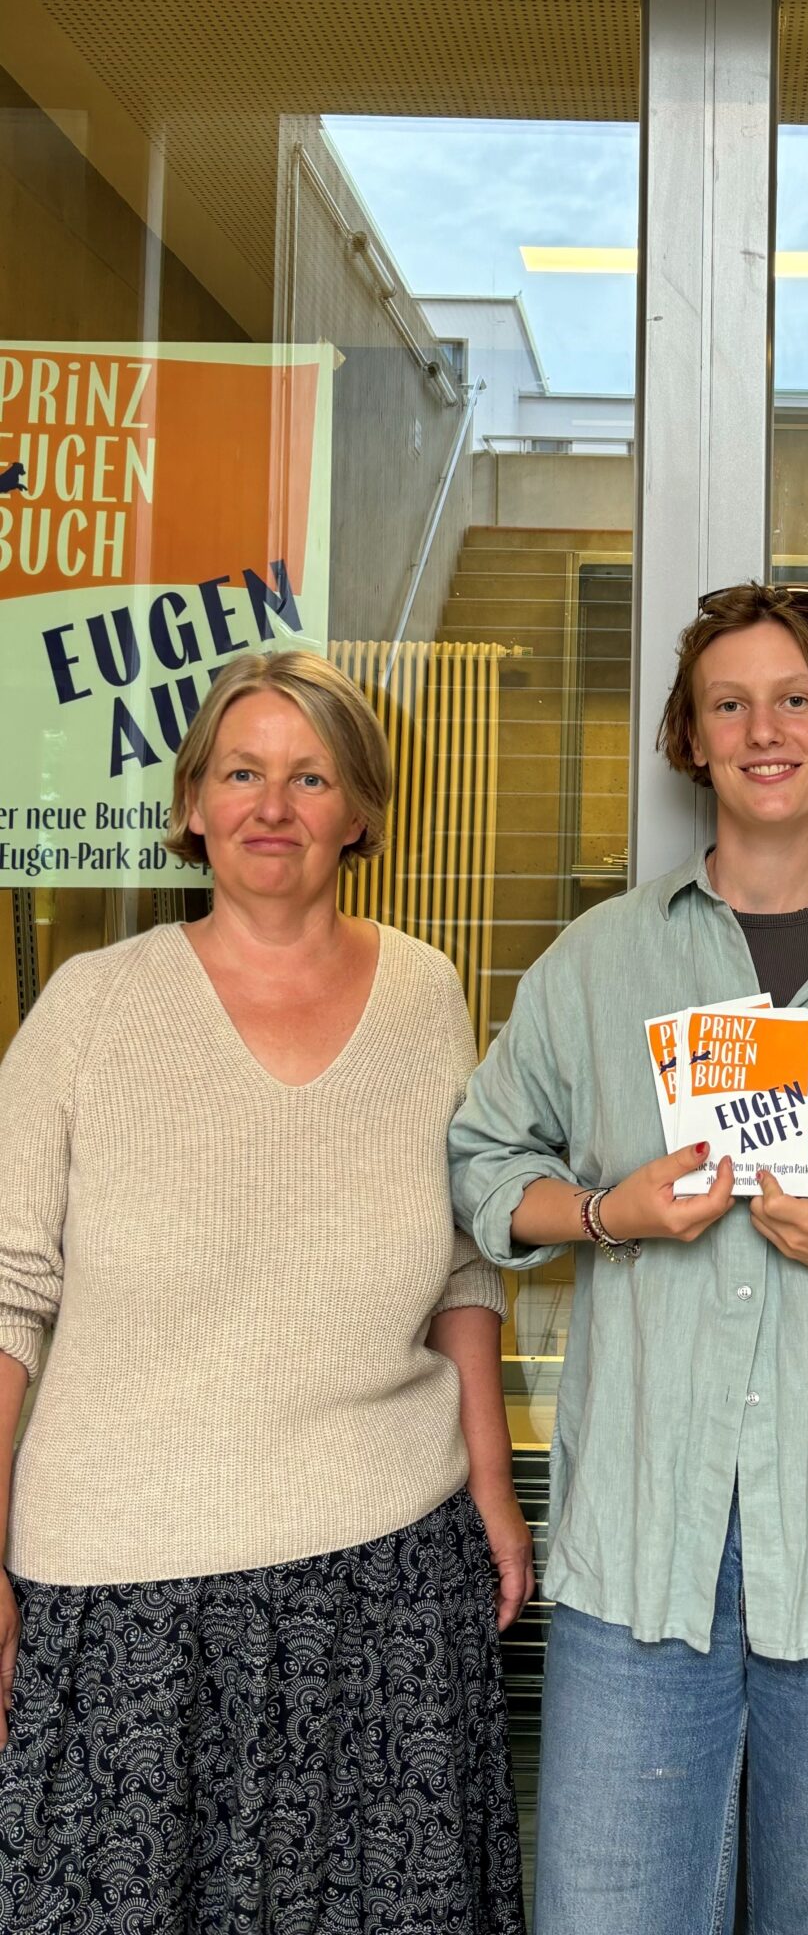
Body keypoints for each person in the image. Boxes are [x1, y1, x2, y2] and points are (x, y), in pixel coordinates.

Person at [448, 581, 808, 1935]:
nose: (765, 730)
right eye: (729, 704)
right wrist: (611, 1213)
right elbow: (482, 1167)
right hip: (646, 1553)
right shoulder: (597, 962)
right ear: (691, 741)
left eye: (795, 700)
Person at [0, 647, 532, 1935]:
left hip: (387, 1583)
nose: (274, 806)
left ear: (360, 813)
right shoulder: (90, 1007)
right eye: (242, 774)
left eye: (311, 777)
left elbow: (462, 1263)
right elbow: (8, 1295)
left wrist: (492, 1485)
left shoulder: (426, 993)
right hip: (123, 1600)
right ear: (193, 803)